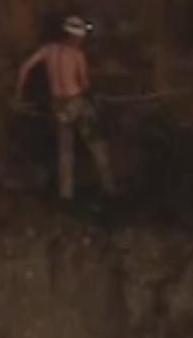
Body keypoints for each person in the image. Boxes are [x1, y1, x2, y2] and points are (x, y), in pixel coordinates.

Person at [14, 15, 117, 202]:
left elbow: (25, 68)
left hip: (59, 105)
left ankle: (66, 195)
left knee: (65, 150)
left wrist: (19, 93)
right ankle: (109, 188)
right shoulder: (77, 55)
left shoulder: (48, 51)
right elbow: (84, 83)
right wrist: (93, 98)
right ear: (74, 36)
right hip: (77, 102)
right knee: (96, 145)